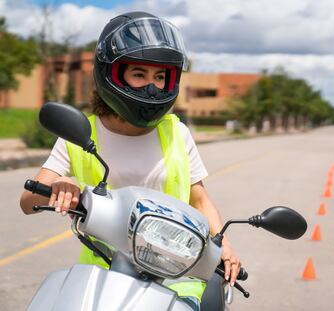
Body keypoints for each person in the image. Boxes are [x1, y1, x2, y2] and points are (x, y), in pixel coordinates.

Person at [19, 11, 241, 310]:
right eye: (139, 74)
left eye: (160, 77)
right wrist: (62, 184)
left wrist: (223, 243)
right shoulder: (82, 132)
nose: (152, 87)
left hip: (176, 273)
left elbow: (199, 199)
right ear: (110, 73)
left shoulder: (176, 132)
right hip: (102, 273)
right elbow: (28, 200)